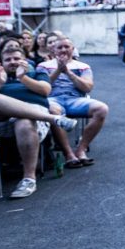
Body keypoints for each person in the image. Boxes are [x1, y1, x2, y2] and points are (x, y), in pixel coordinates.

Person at [0, 46, 74, 199]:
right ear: (1, 63)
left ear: (24, 60)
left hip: (34, 117)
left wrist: (23, 78)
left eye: (16, 58)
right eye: (8, 59)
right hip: (2, 120)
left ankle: (29, 179)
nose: (12, 62)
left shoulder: (36, 72)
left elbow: (45, 90)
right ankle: (55, 119)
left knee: (24, 122)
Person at [37, 36, 109, 168]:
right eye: (60, 47)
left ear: (73, 49)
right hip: (53, 99)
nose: (63, 50)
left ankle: (81, 149)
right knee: (53, 112)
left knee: (102, 109)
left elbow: (87, 87)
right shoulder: (43, 66)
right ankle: (69, 154)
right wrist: (58, 70)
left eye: (67, 47)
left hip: (75, 99)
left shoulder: (83, 66)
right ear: (53, 50)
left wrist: (69, 73)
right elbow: (43, 87)